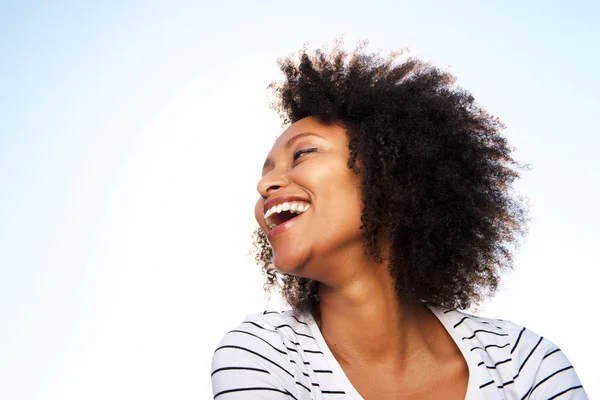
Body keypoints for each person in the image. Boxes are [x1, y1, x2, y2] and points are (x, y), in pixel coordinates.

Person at [210, 41, 587, 399]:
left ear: (391, 175)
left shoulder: (525, 363)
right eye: (266, 170)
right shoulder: (262, 354)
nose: (265, 184)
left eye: (303, 153)